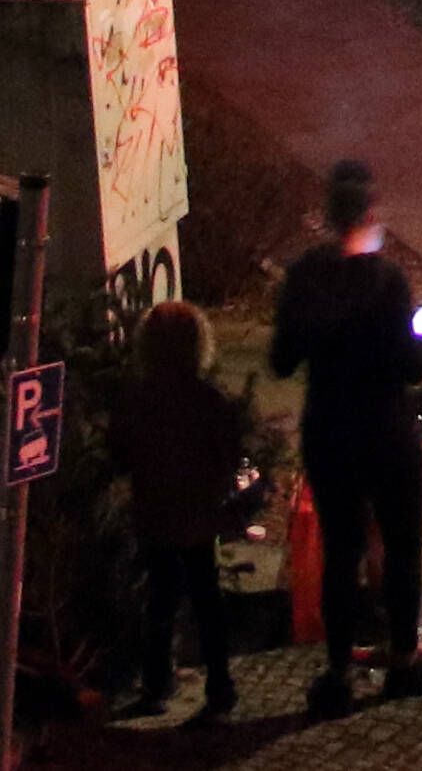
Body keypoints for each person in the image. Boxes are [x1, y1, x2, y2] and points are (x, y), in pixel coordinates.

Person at [267, 159, 422, 714]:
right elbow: (406, 365)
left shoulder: (305, 276)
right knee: (401, 547)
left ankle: (336, 671)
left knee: (341, 550)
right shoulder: (386, 281)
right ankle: (401, 662)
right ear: (371, 213)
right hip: (384, 430)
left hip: (329, 430)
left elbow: (282, 361)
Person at [106, 296, 260, 724]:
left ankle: (157, 685)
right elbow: (230, 457)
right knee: (206, 601)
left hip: (155, 511)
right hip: (198, 514)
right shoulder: (209, 399)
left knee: (160, 599)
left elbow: (119, 454)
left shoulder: (136, 398)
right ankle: (220, 687)